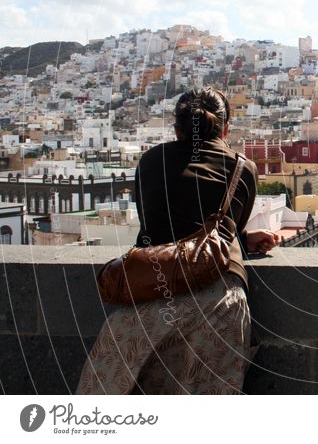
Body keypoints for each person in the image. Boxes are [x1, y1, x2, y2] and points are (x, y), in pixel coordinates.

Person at [76, 87, 278, 395]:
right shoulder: (242, 168)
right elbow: (225, 232)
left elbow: (156, 226)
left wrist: (242, 238)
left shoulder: (150, 161)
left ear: (176, 129)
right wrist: (245, 241)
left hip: (152, 294)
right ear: (225, 128)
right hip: (218, 301)